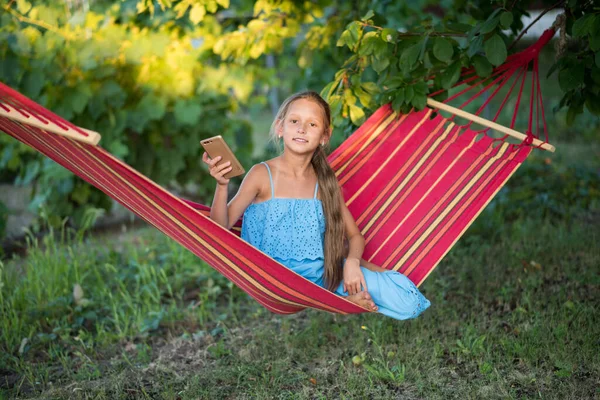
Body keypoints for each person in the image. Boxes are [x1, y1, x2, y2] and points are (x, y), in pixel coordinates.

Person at [203, 91, 430, 320]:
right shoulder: (262, 175)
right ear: (280, 128)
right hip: (273, 280)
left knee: (408, 302)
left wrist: (352, 263)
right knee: (369, 290)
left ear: (324, 136)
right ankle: (342, 302)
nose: (302, 129)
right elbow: (219, 230)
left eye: (312, 124)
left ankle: (343, 297)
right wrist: (222, 186)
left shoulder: (325, 184)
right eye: (294, 121)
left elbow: (355, 237)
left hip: (322, 280)